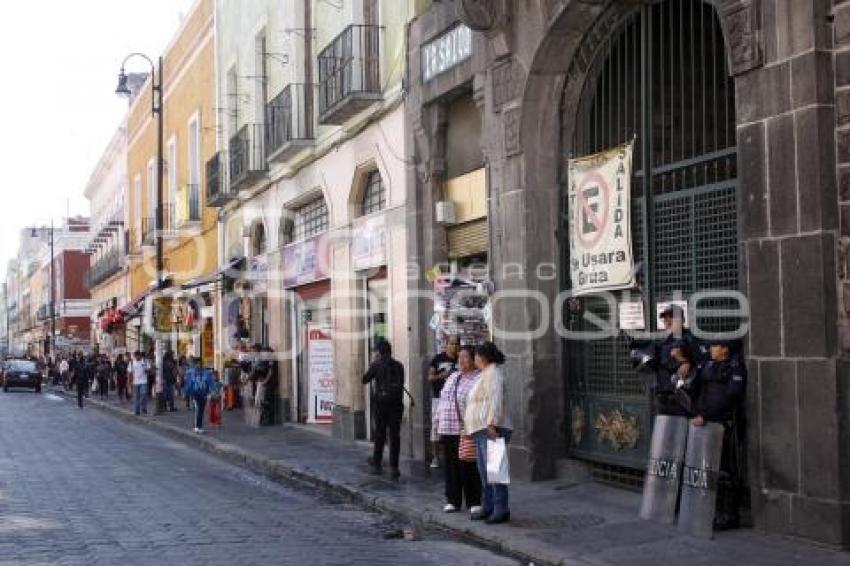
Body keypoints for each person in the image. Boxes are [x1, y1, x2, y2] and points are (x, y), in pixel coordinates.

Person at [692, 338, 747, 530]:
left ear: (725, 350)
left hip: (724, 424)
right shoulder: (708, 365)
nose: (711, 349)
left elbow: (728, 399)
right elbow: (699, 390)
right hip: (706, 422)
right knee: (709, 469)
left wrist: (704, 415)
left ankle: (729, 515)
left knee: (726, 470)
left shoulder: (735, 368)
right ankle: (712, 511)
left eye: (715, 346)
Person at [464, 341, 512, 524]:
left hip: (490, 428)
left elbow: (495, 399)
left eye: (476, 355)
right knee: (485, 472)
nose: (474, 358)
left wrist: (492, 423)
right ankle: (489, 506)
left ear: (482, 357)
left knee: (495, 470)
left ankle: (501, 509)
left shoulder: (494, 374)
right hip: (480, 429)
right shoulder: (484, 374)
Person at [437, 345, 482, 515]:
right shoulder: (453, 377)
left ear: (473, 360)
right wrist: (437, 422)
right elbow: (443, 400)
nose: (461, 360)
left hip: (466, 429)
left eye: (465, 357)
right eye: (460, 357)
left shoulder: (477, 378)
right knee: (451, 466)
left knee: (468, 464)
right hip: (447, 427)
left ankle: (474, 500)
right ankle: (453, 500)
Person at [363, 339, 405, 480]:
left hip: (381, 404)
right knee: (395, 436)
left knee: (380, 434)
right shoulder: (399, 365)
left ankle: (377, 463)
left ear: (379, 352)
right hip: (396, 405)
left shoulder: (377, 364)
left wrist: (373, 363)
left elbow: (365, 379)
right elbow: (401, 384)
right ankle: (394, 467)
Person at [652, 305, 699, 416]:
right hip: (663, 397)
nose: (667, 321)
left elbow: (700, 363)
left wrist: (686, 362)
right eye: (665, 318)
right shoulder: (662, 342)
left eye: (671, 317)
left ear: (682, 320)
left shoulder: (690, 339)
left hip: (682, 399)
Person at [428, 337, 459, 468]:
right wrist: (442, 376)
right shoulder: (437, 359)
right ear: (446, 345)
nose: (454, 346)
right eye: (451, 343)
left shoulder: (461, 359)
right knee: (436, 427)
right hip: (439, 398)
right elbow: (429, 377)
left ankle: (455, 456)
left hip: (456, 398)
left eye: (456, 344)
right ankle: (435, 457)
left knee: (456, 428)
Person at [184, 357, 214, 433]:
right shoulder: (191, 373)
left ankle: (199, 426)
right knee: (198, 409)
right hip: (195, 393)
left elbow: (210, 383)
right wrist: (187, 393)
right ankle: (197, 426)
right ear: (194, 364)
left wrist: (211, 392)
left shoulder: (207, 373)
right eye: (197, 364)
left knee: (201, 410)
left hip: (204, 394)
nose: (199, 365)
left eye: (200, 363)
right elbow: (189, 384)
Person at [130, 351, 150, 416]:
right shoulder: (132, 362)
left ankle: (143, 407)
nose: (136, 357)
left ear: (140, 356)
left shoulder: (145, 361)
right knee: (136, 397)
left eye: (137, 356)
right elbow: (129, 372)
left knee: (143, 394)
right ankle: (137, 411)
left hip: (144, 381)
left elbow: (149, 370)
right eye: (135, 356)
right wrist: (129, 382)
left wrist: (147, 370)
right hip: (135, 382)